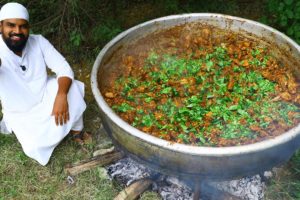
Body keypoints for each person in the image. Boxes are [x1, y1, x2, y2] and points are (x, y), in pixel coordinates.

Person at [0, 2, 90, 165]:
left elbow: (64, 69)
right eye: (11, 25)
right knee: (34, 146)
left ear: (28, 28)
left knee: (73, 87)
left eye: (23, 26)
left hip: (45, 96)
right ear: (1, 26)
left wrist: (61, 96)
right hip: (21, 113)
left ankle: (76, 132)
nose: (17, 31)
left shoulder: (38, 41)